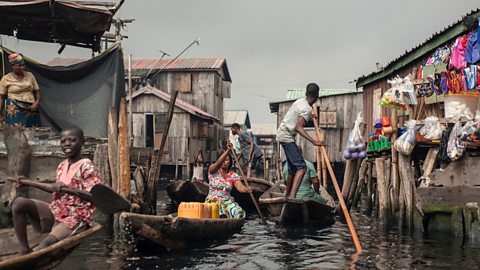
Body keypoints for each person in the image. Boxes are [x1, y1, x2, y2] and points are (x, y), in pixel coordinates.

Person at [11, 126, 101, 255]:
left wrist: (69, 189)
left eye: (72, 140)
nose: (67, 144)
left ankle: (33, 257)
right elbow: (55, 191)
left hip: (76, 217)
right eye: (63, 141)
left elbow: (93, 195)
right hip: (57, 211)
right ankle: (24, 249)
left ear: (82, 142)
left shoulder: (87, 166)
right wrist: (26, 180)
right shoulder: (61, 166)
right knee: (19, 203)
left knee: (45, 244)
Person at [276, 83, 324, 199]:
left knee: (292, 169)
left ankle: (287, 196)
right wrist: (314, 141)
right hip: (287, 135)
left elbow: (297, 113)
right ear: (317, 96)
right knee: (302, 167)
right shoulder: (307, 109)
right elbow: (298, 126)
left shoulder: (300, 101)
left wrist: (311, 115)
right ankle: (292, 197)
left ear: (306, 93)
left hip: (282, 132)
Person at [205, 142, 251, 218]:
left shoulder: (233, 175)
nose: (224, 162)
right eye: (222, 160)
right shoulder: (213, 170)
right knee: (218, 212)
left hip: (227, 202)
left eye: (226, 160)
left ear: (230, 162)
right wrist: (228, 151)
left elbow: (240, 187)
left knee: (239, 213)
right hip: (213, 201)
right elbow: (217, 164)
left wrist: (246, 189)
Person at [0, 53, 41, 127]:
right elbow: (2, 98)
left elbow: (37, 91)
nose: (22, 67)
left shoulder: (30, 75)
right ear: (12, 66)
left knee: (33, 131)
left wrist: (37, 102)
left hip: (31, 108)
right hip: (14, 109)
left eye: (23, 65)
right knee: (16, 132)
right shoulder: (5, 79)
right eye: (19, 66)